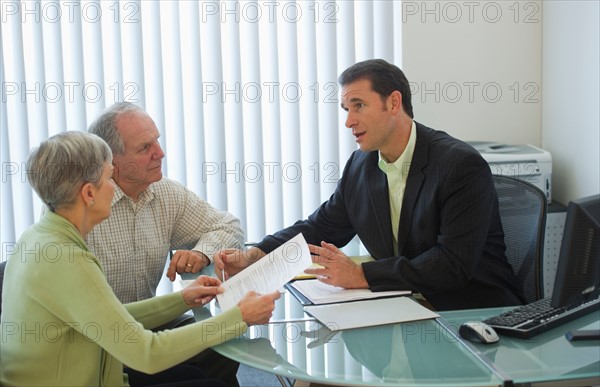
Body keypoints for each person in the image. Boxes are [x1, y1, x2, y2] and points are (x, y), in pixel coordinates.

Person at [215, 59, 524, 311]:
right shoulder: (361, 165)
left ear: (393, 103)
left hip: (473, 312)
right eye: (346, 109)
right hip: (405, 303)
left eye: (358, 105)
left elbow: (451, 264)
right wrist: (256, 254)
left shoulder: (459, 166)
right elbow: (319, 229)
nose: (349, 121)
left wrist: (361, 275)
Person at [0, 131, 280, 386]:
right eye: (110, 178)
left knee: (195, 376)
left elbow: (111, 320)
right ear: (88, 193)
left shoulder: (40, 238)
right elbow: (147, 353)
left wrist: (181, 299)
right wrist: (239, 317)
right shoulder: (66, 260)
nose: (115, 186)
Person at [86, 102, 245, 385]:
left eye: (157, 140)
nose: (160, 153)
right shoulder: (83, 209)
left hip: (151, 323)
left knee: (223, 337)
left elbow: (228, 226)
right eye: (144, 148)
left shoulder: (164, 193)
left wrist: (200, 253)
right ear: (112, 162)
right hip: (100, 343)